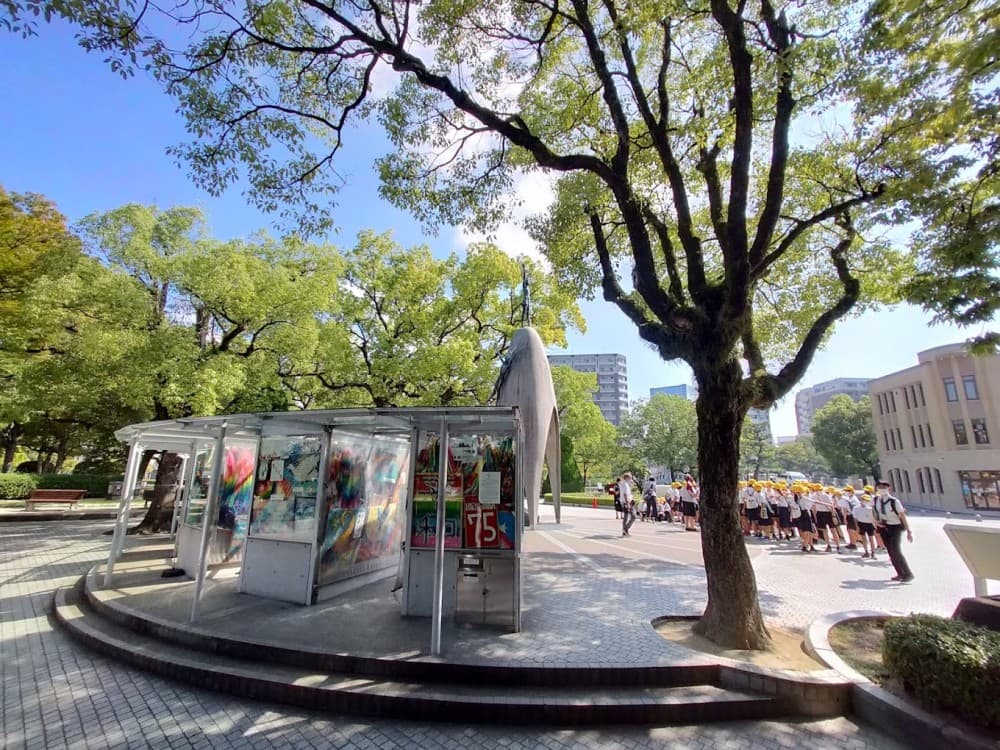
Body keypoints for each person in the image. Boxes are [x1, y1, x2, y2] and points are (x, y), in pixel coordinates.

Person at [873, 479, 914, 582]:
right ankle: (899, 573)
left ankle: (908, 574)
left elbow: (902, 515)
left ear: (889, 488)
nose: (882, 490)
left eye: (884, 487)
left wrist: (908, 531)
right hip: (883, 526)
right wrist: (875, 522)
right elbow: (873, 511)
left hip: (895, 526)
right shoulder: (875, 500)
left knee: (896, 551)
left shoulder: (894, 501)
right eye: (880, 487)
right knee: (890, 551)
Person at [854, 493, 878, 559]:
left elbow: (874, 517)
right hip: (861, 524)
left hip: (869, 524)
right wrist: (857, 526)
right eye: (864, 500)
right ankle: (866, 552)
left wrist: (875, 524)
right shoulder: (856, 508)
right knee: (864, 539)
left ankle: (873, 552)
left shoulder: (870, 508)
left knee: (871, 539)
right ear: (861, 500)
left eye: (867, 500)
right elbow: (855, 518)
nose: (865, 502)